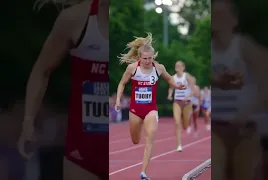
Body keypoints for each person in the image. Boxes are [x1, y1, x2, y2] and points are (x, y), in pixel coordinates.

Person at [17, 0, 109, 179]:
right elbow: (41, 70)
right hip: (83, 153)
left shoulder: (138, 30)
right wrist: (28, 121)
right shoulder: (74, 19)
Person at [211, 1, 268, 180]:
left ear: (234, 20)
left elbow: (265, 87)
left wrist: (248, 112)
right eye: (214, 15)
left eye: (222, 15)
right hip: (216, 128)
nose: (217, 20)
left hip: (245, 130)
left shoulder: (244, 47)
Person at [114, 33, 186, 180]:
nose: (147, 61)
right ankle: (138, 125)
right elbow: (122, 83)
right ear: (139, 57)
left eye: (150, 58)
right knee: (135, 140)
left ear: (153, 56)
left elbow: (169, 79)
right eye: (145, 58)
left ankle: (143, 173)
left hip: (150, 110)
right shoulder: (132, 68)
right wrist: (117, 100)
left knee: (150, 138)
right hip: (135, 110)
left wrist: (177, 86)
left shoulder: (158, 68)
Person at [167, 60, 195, 152]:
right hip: (177, 102)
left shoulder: (187, 77)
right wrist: (170, 95)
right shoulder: (173, 77)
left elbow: (193, 90)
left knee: (185, 126)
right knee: (176, 122)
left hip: (187, 103)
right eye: (176, 66)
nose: (177, 67)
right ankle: (179, 145)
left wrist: (187, 97)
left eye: (179, 66)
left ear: (183, 67)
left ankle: (186, 121)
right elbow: (171, 88)